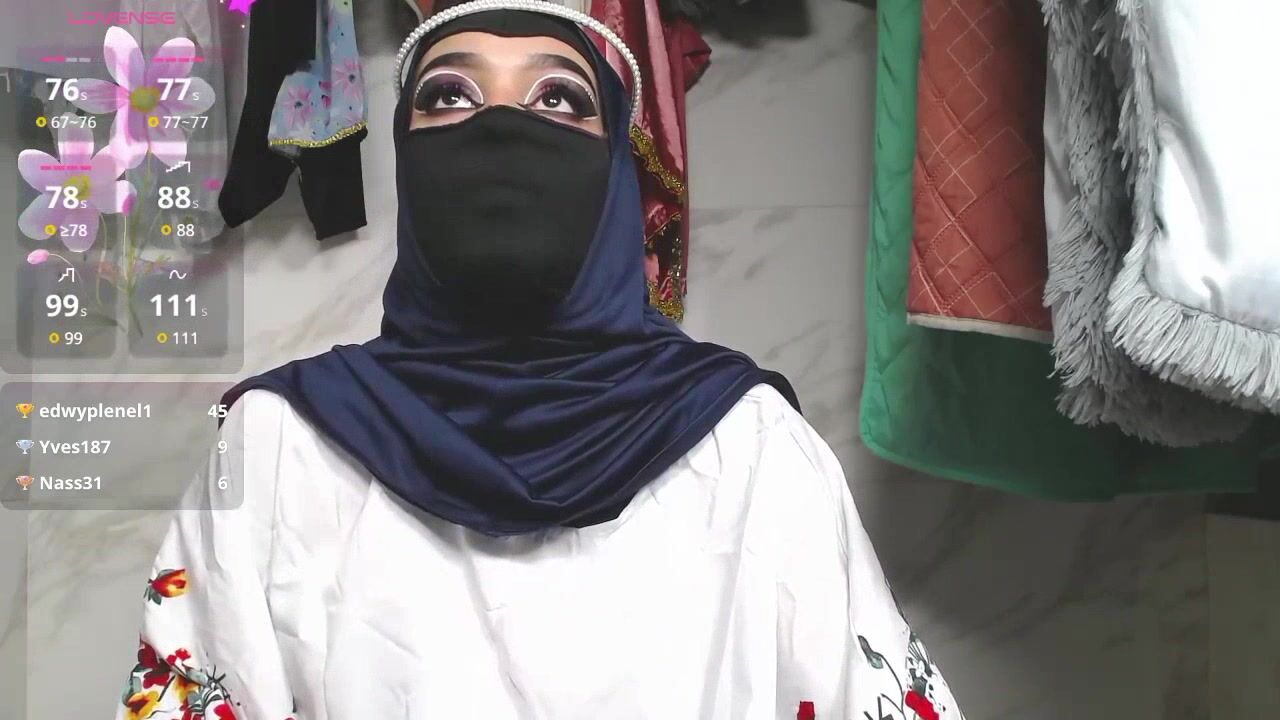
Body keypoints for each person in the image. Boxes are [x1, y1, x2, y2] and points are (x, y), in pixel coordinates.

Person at [114, 3, 965, 718]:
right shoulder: (278, 447)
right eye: (449, 95)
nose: (501, 128)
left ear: (616, 167)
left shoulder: (747, 445)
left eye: (558, 98)